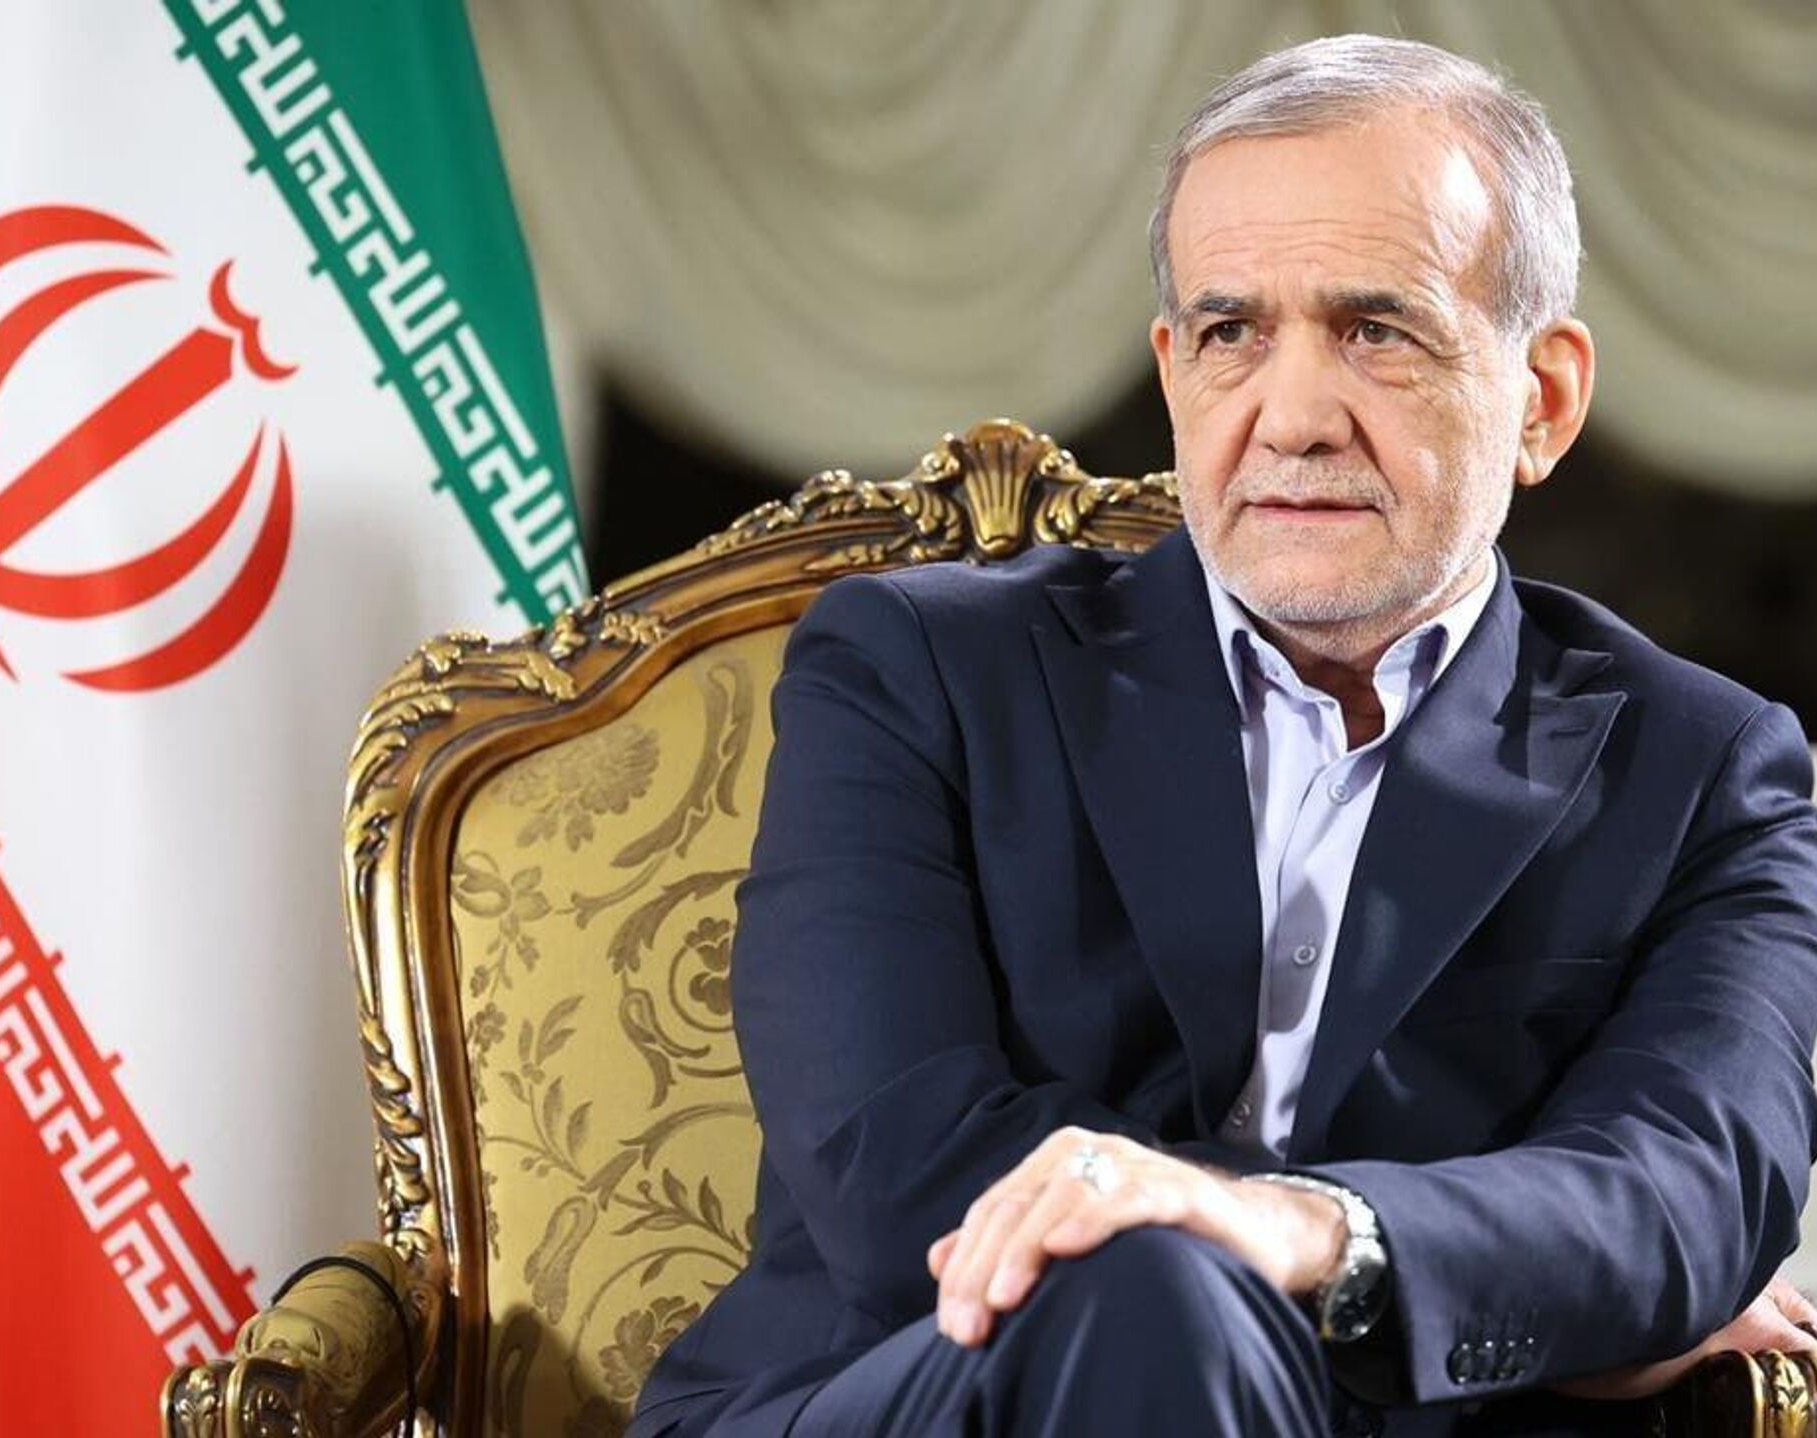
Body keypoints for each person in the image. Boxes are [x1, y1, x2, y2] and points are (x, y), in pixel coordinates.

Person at [631, 34, 1817, 1438]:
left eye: (1377, 331)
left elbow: (1683, 1194)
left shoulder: (1709, 774)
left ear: (1542, 399)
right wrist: (1465, 1289)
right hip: (920, 1387)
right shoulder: (916, 672)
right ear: (1174, 371)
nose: (1292, 417)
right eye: (1231, 332)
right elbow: (899, 1169)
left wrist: (1313, 1236)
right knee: (1147, 1294)